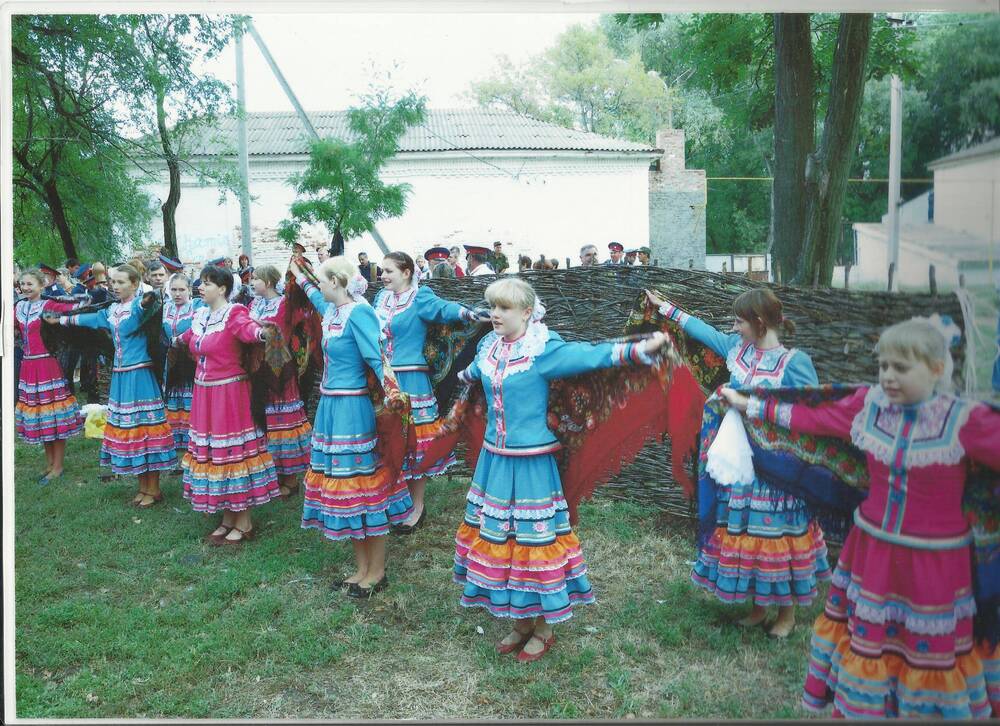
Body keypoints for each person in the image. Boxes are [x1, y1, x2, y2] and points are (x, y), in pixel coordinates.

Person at [723, 317, 1000, 719]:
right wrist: (751, 405)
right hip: (873, 554)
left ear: (937, 370)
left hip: (936, 565)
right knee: (872, 643)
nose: (888, 376)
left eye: (901, 368)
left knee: (925, 651)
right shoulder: (868, 406)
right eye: (883, 366)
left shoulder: (965, 420)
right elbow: (812, 419)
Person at [453, 277, 670, 661]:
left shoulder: (542, 349)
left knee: (535, 543)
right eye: (492, 307)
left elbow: (592, 355)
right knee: (504, 540)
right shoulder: (489, 345)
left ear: (526, 313)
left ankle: (544, 626)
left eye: (504, 308)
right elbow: (473, 374)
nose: (495, 314)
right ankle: (521, 620)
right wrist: (460, 378)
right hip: (495, 463)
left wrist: (642, 348)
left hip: (533, 464)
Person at [645, 287, 829, 638]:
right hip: (741, 461)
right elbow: (704, 332)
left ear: (759, 323)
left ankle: (786, 613)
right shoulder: (738, 350)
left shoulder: (794, 364)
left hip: (778, 468)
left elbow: (811, 414)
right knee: (747, 531)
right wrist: (665, 308)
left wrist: (759, 411)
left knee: (776, 534)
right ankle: (760, 606)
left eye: (739, 321)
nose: (734, 327)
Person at [290, 256, 415, 597]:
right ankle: (360, 569)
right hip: (330, 409)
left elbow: (377, 356)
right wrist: (297, 266)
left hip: (353, 409)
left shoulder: (359, 313)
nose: (320, 285)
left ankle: (377, 572)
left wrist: (392, 393)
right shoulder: (331, 310)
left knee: (363, 489)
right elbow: (310, 290)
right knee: (347, 492)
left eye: (323, 280)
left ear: (339, 282)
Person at [48, 264, 176, 505]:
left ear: (135, 284)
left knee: (145, 430)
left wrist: (148, 299)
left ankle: (154, 488)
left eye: (120, 282)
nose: (115, 286)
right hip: (120, 376)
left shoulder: (138, 307)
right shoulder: (112, 310)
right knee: (130, 431)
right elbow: (88, 319)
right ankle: (143, 488)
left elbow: (148, 307)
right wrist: (61, 320)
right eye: (113, 282)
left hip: (140, 376)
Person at [171, 265, 281, 545]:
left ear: (222, 288)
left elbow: (247, 331)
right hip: (205, 396)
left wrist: (262, 334)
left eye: (207, 283)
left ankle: (243, 520)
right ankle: (227, 517)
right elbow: (187, 340)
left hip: (230, 395)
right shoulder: (200, 315)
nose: (201, 287)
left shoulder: (234, 313)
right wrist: (170, 340)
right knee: (214, 456)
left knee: (232, 456)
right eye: (201, 283)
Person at [374, 251, 484, 532]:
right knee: (387, 440)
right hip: (384, 378)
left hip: (412, 379)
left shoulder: (420, 296)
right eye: (382, 271)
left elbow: (443, 309)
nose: (383, 276)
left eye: (389, 271)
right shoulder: (380, 299)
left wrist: (469, 312)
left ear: (407, 272)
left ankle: (417, 505)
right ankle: (394, 501)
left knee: (415, 443)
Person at [248, 264, 313, 499]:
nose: (252, 282)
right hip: (258, 367)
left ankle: (291, 478)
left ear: (268, 281)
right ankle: (274, 473)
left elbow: (299, 327)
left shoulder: (285, 304)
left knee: (282, 418)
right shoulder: (252, 305)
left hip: (279, 367)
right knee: (265, 418)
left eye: (256, 279)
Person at [15, 268, 85, 484]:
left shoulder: (48, 305)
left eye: (30, 284)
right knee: (40, 416)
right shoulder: (18, 307)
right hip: (28, 366)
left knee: (53, 416)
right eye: (23, 284)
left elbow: (80, 304)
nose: (26, 288)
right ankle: (49, 464)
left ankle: (58, 466)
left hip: (47, 364)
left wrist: (66, 288)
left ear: (41, 285)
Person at [161, 272, 202, 471]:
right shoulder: (164, 308)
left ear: (189, 290)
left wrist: (182, 341)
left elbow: (199, 328)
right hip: (172, 363)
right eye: (174, 289)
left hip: (192, 362)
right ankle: (177, 453)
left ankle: (194, 453)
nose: (177, 294)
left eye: (181, 290)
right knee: (174, 404)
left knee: (192, 404)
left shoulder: (197, 307)